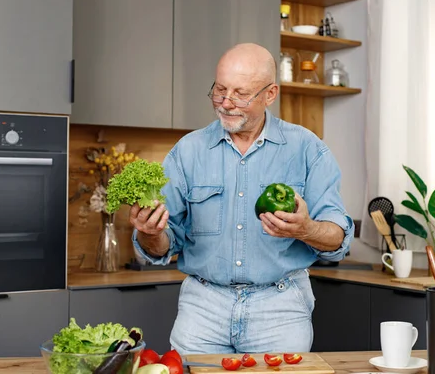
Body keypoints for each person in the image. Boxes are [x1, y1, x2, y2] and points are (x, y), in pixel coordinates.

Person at [130, 43, 354, 355]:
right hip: (203, 309)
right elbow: (163, 246)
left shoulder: (307, 149)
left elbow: (338, 238)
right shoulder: (187, 151)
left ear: (270, 94)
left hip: (280, 309)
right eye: (219, 90)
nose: (225, 103)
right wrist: (149, 231)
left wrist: (305, 229)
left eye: (240, 93)